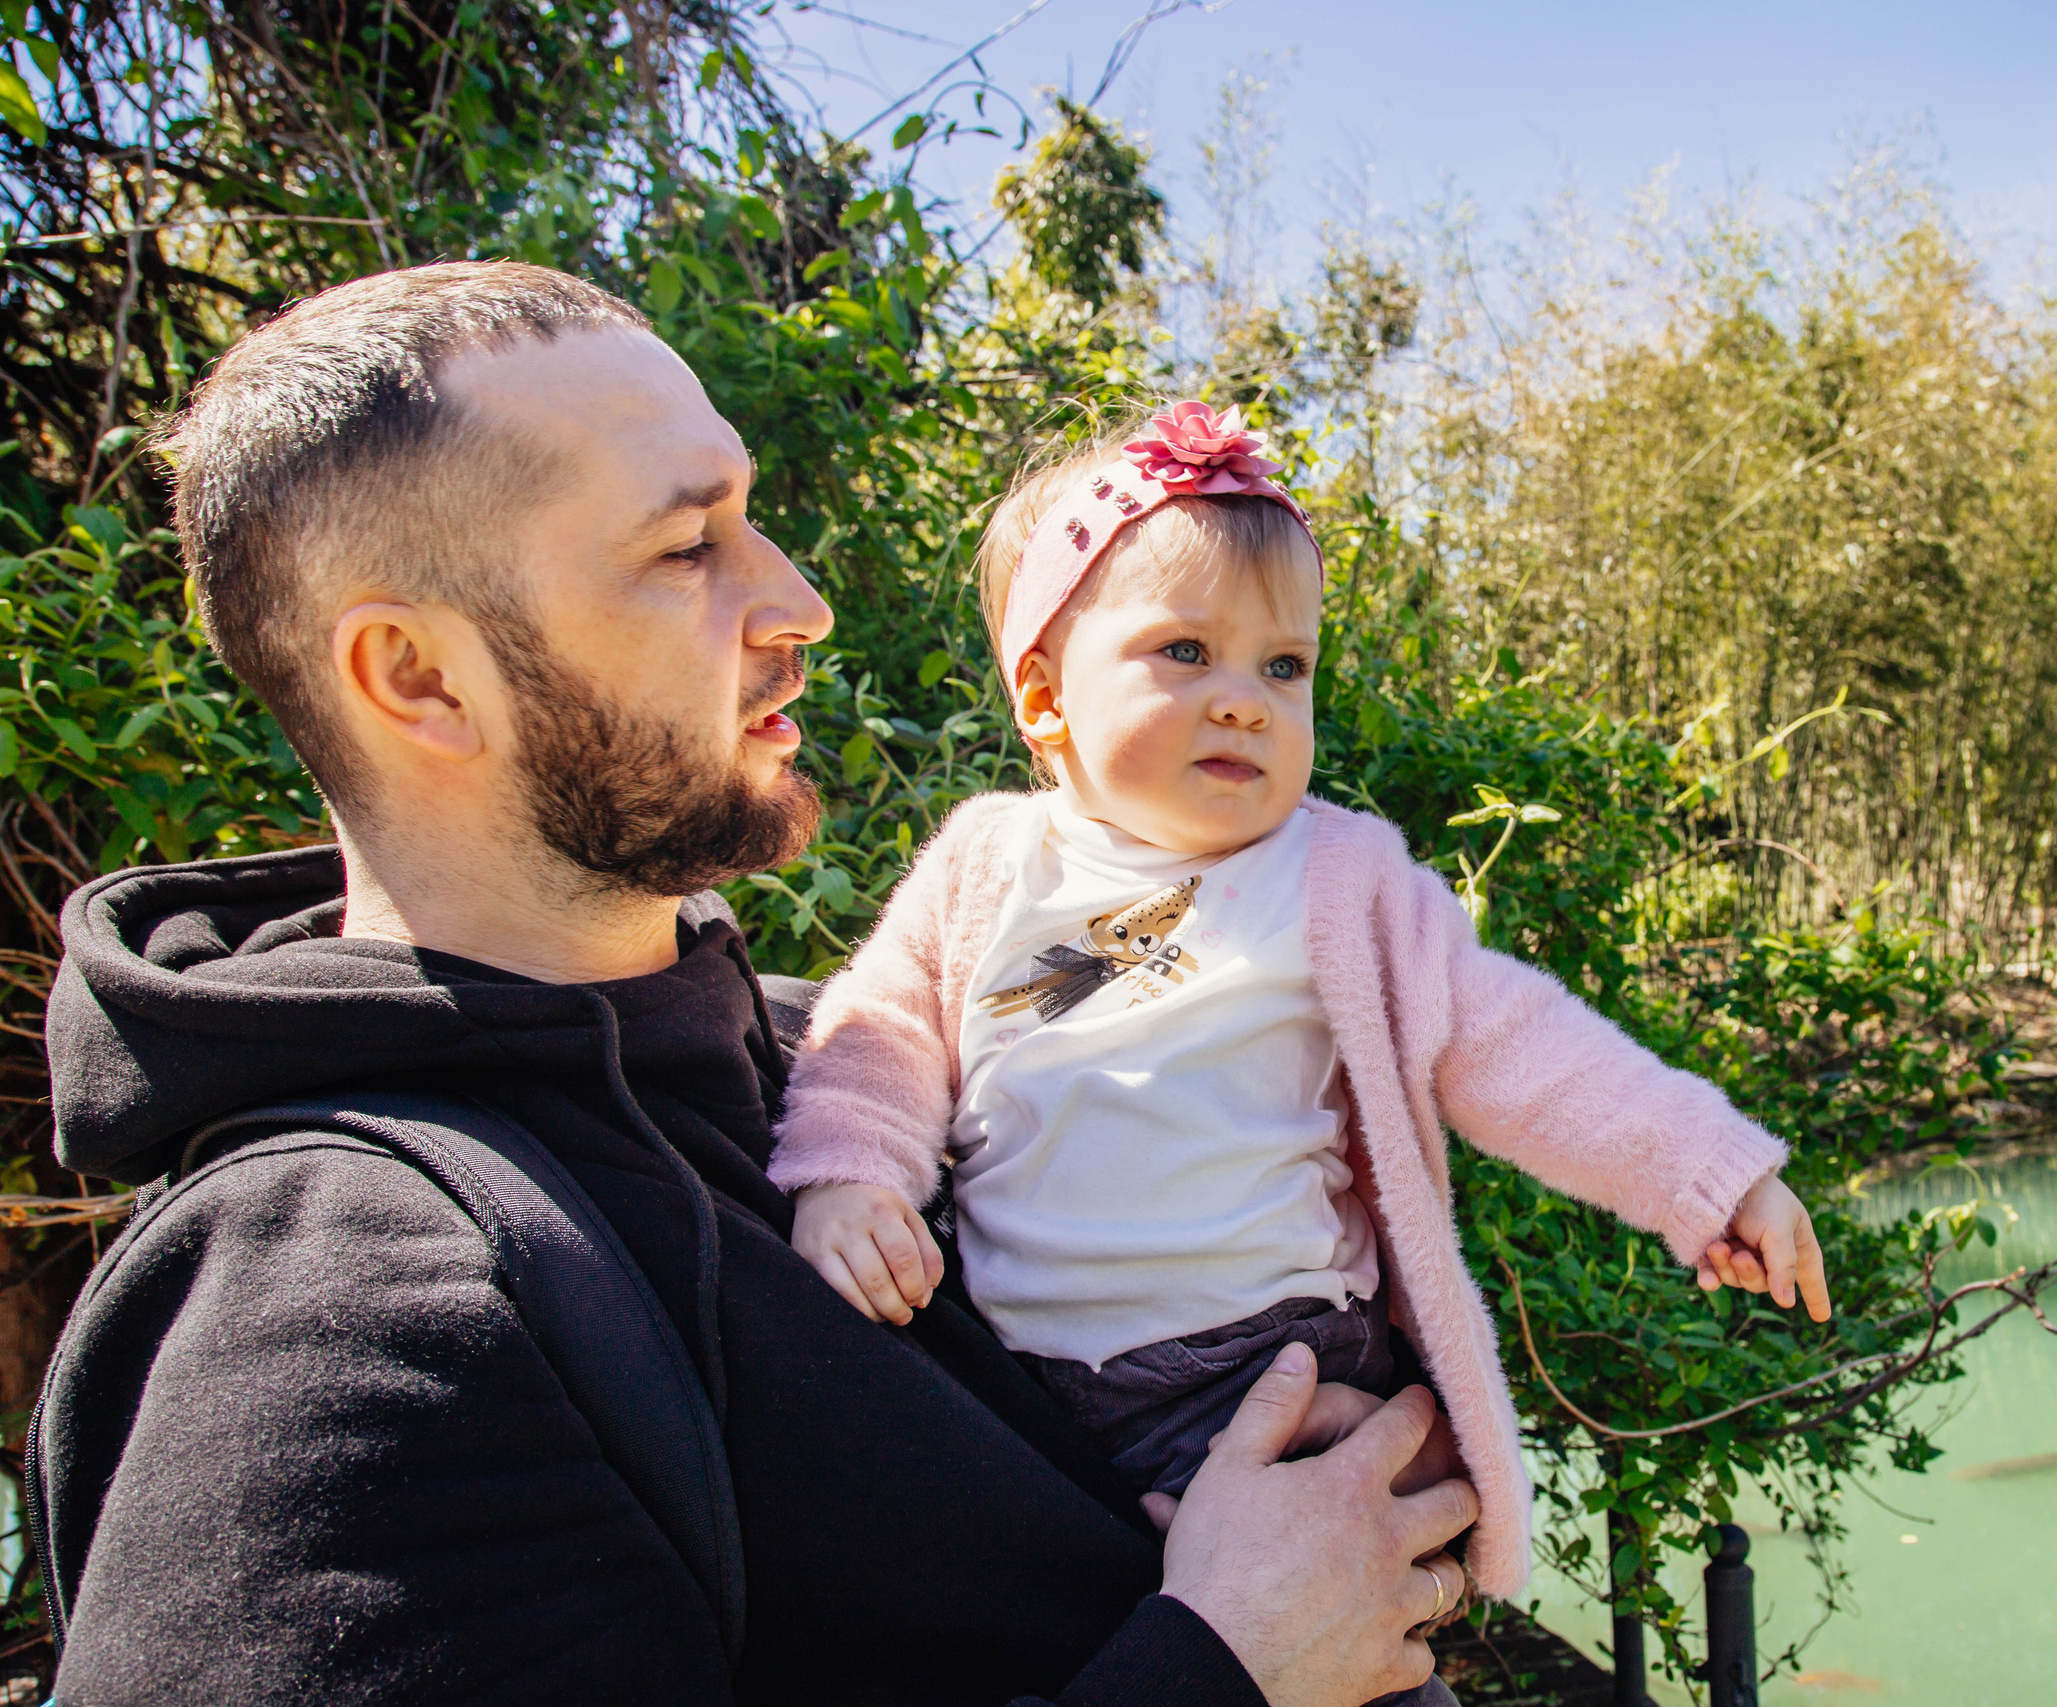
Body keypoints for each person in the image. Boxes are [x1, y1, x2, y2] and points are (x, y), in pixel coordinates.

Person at [37, 264, 1477, 1706]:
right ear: (419, 674)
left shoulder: (826, 1055)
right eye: (687, 547)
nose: (799, 601)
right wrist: (1225, 1661)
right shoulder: (336, 1322)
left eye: (751, 516)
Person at [771, 401, 1836, 1605]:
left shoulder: (1338, 880)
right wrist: (852, 1175)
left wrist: (1709, 1172)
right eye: (1185, 653)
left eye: (1284, 667)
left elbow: (1522, 1046)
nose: (1244, 700)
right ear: (1044, 697)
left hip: (1266, 1375)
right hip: (1021, 1388)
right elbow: (881, 1032)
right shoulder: (986, 867)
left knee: (1322, 1638)